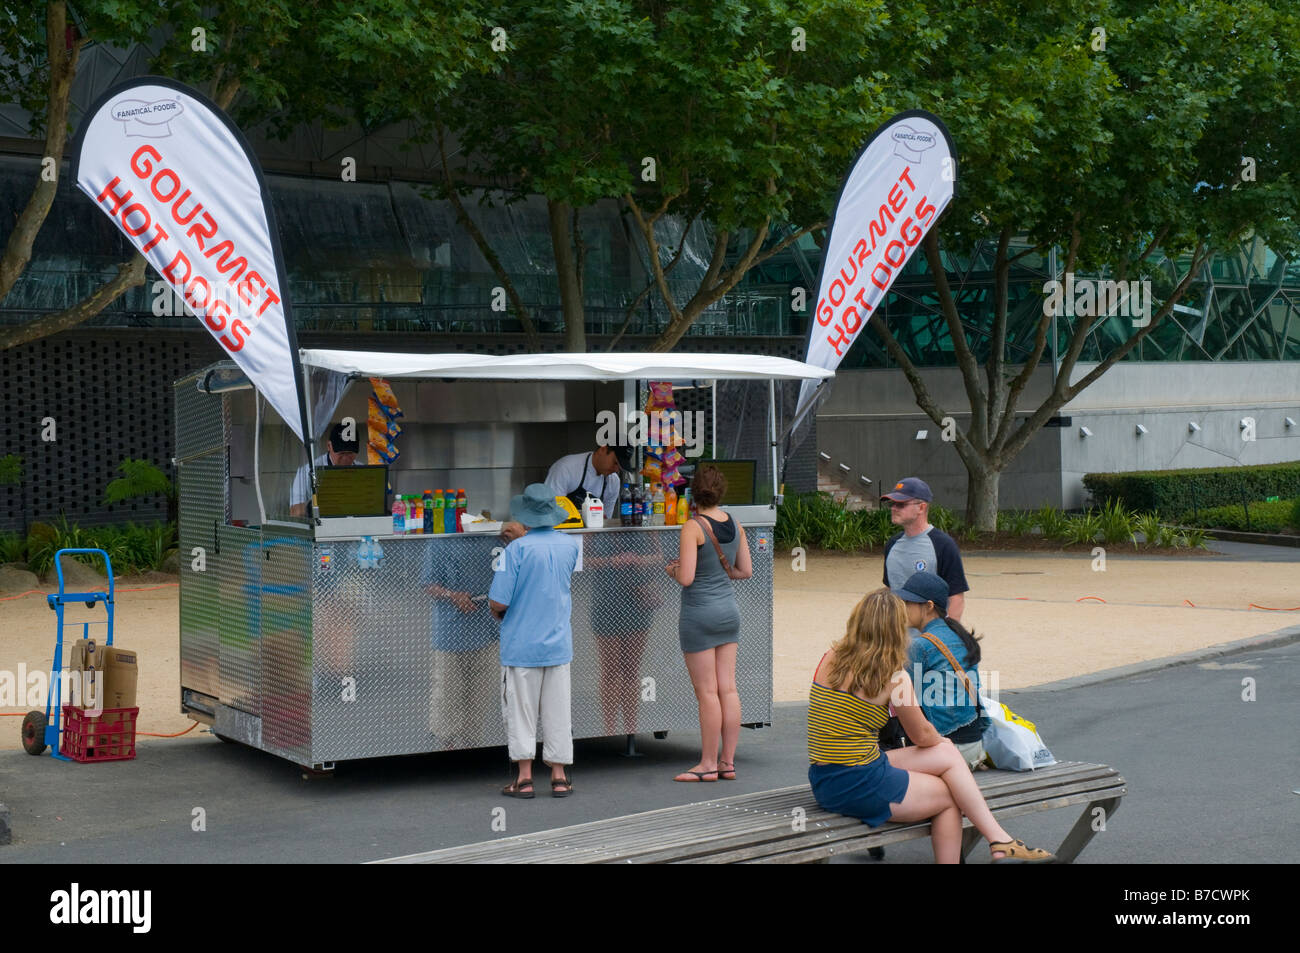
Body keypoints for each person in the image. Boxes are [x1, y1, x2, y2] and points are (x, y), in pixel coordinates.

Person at [808, 588, 1053, 864]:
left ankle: (1000, 841)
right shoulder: (893, 675)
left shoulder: (830, 658)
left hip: (825, 778)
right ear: (896, 629)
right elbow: (921, 735)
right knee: (949, 796)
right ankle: (998, 842)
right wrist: (942, 741)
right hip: (858, 783)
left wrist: (941, 746)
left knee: (946, 757)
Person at [489, 483, 582, 798]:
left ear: (525, 515)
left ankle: (525, 778)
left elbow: (498, 602)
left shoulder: (515, 550)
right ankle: (559, 776)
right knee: (558, 712)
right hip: (557, 645)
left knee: (521, 712)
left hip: (521, 646)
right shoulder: (570, 546)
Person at [665, 465, 752, 782]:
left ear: (692, 493)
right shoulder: (735, 523)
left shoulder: (692, 527)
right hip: (729, 612)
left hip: (699, 615)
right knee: (728, 688)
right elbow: (745, 571)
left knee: (707, 693)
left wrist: (671, 570)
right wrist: (718, 572)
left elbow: (687, 578)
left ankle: (706, 764)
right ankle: (727, 763)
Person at [896, 571, 990, 770]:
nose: (903, 608)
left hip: (948, 750)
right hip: (974, 745)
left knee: (880, 765)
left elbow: (901, 698)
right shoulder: (960, 635)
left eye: (908, 603)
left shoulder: (921, 646)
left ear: (928, 606)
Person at [428, 553, 498, 751]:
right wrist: (452, 595)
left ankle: (471, 750)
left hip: (487, 634)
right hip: (450, 635)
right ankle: (447, 749)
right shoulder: (440, 543)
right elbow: (428, 584)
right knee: (447, 695)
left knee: (478, 697)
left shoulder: (498, 537)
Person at [501, 444, 633, 543]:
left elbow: (606, 521)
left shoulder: (613, 481)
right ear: (603, 449)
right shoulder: (567, 468)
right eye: (615, 462)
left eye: (619, 467)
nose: (615, 469)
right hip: (557, 538)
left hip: (590, 543)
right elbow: (547, 512)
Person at [880, 477, 969, 622]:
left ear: (921, 507)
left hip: (929, 638)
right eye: (892, 503)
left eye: (900, 504)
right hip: (896, 638)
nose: (893, 508)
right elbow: (890, 590)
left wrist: (948, 636)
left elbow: (956, 597)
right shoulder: (892, 544)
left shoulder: (943, 545)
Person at [289, 422, 360, 517]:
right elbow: (295, 512)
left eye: (350, 453)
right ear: (329, 446)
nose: (346, 458)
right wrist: (321, 502)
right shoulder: (307, 471)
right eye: (342, 453)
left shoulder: (362, 470)